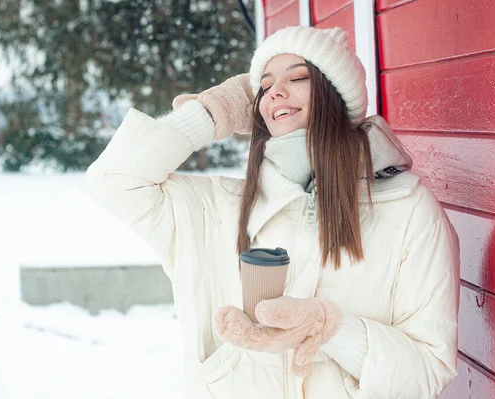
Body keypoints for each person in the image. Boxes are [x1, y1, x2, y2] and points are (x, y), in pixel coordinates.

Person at [84, 26, 460, 399]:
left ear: (337, 98)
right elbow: (112, 180)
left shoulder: (409, 211)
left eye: (298, 78)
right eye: (263, 86)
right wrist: (212, 112)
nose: (275, 91)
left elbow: (427, 370)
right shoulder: (218, 208)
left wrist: (330, 328)